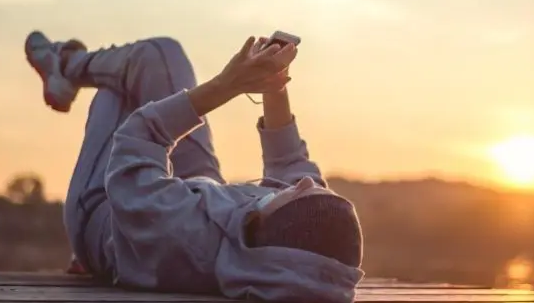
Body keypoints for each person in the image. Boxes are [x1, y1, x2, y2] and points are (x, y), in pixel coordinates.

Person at [23, 31, 364, 302]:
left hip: (106, 212)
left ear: (267, 228)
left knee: (134, 74)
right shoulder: (279, 246)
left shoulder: (180, 233)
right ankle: (66, 66)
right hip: (195, 192)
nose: (305, 185)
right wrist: (274, 81)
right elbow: (290, 161)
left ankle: (64, 65)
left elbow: (139, 135)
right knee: (154, 60)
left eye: (301, 197)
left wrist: (227, 85)